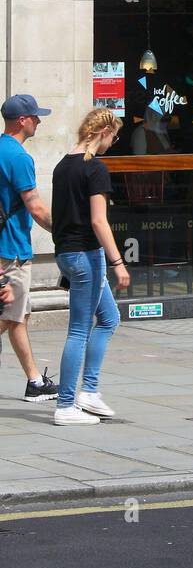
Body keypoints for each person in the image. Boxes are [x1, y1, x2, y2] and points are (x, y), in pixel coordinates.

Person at [52, 108, 130, 424]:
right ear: (102, 132)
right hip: (86, 255)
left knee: (109, 318)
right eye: (113, 136)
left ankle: (89, 392)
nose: (113, 143)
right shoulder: (94, 168)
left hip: (68, 254)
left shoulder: (62, 166)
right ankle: (66, 405)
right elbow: (99, 221)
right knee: (79, 330)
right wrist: (119, 263)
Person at [0, 94, 58, 401]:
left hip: (6, 248)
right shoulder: (19, 158)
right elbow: (35, 207)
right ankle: (34, 383)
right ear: (22, 120)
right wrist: (63, 232)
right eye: (35, 116)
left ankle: (35, 382)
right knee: (9, 316)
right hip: (11, 251)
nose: (39, 121)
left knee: (18, 316)